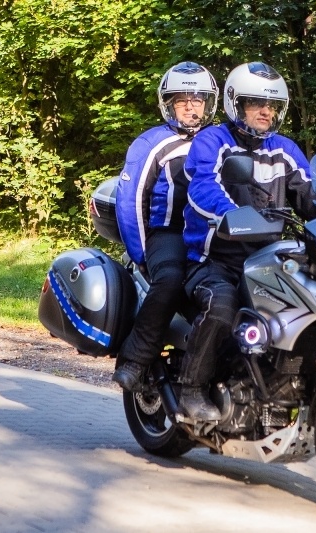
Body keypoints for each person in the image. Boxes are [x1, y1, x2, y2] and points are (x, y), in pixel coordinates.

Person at [178, 62, 316, 420]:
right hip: (216, 259)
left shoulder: (284, 149)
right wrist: (232, 214)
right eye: (256, 103)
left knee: (312, 309)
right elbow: (203, 185)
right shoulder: (213, 141)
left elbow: (310, 192)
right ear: (236, 104)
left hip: (268, 260)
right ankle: (191, 389)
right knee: (222, 307)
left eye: (272, 105)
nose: (266, 111)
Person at [112, 62, 218, 391]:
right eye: (181, 99)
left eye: (197, 99)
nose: (190, 106)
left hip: (213, 236)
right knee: (171, 279)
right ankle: (135, 359)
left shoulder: (220, 140)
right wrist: (141, 254)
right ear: (168, 104)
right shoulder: (152, 142)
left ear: (209, 103)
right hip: (168, 233)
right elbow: (130, 201)